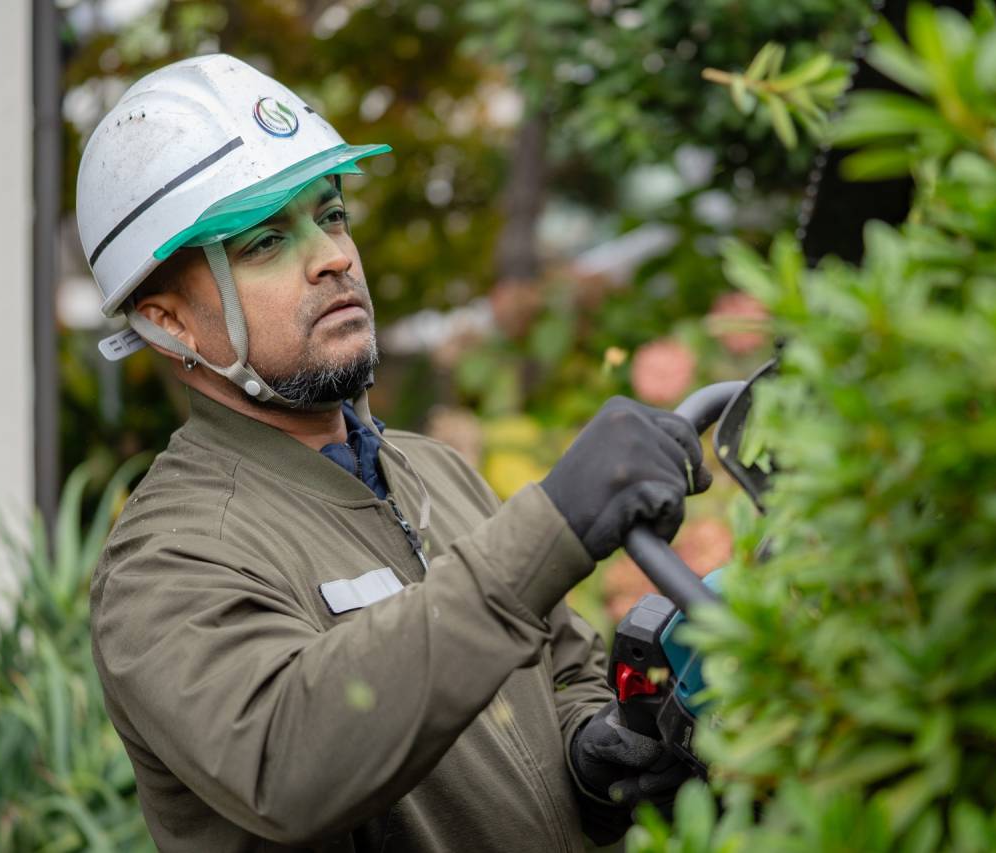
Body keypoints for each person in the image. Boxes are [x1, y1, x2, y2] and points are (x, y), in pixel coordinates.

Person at [79, 54, 712, 852]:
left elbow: (562, 669)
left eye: (331, 214)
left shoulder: (434, 471)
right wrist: (551, 527)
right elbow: (288, 760)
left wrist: (593, 754)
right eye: (268, 240)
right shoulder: (171, 558)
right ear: (168, 323)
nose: (333, 256)